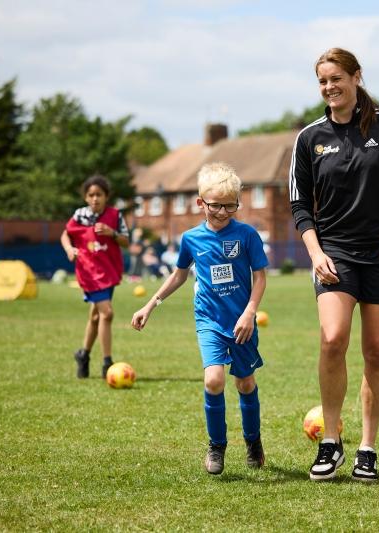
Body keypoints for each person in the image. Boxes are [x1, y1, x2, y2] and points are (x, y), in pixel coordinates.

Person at [289, 47, 379, 482]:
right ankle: (330, 441)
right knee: (333, 339)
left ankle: (367, 448)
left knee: (377, 350)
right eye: (322, 81)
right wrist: (316, 253)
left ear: (356, 77)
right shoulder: (309, 138)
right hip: (334, 254)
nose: (330, 87)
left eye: (336, 78)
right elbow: (299, 203)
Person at [131, 163, 269, 475]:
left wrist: (250, 312)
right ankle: (216, 446)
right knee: (213, 380)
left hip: (242, 322)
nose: (223, 212)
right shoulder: (191, 239)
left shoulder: (246, 235)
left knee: (245, 383)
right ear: (200, 202)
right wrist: (150, 304)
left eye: (230, 206)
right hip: (209, 320)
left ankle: (253, 441)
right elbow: (179, 275)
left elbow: (260, 277)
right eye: (216, 205)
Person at [60, 175, 129, 379]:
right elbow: (65, 234)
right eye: (90, 195)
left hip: (108, 271)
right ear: (85, 197)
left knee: (96, 316)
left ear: (107, 196)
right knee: (107, 314)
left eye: (99, 194)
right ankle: (107, 362)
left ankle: (83, 355)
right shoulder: (80, 215)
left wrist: (111, 233)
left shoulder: (115, 215)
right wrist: (69, 249)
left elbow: (126, 241)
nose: (95, 199)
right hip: (89, 272)